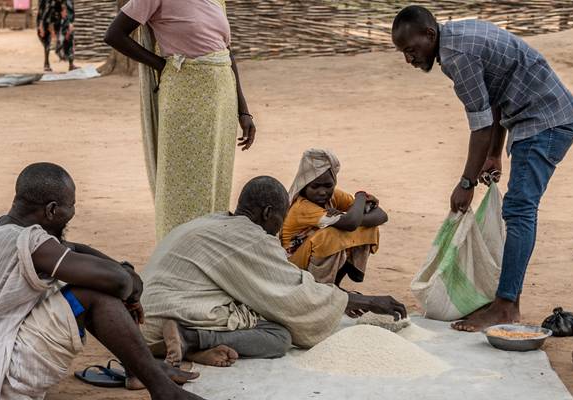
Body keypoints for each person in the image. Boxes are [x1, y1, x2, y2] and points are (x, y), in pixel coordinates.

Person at [391, 5, 573, 331]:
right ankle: (506, 301)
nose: (409, 60)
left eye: (411, 50)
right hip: (536, 118)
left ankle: (506, 306)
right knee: (519, 208)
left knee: (520, 209)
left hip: (544, 122)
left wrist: (466, 183)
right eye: (404, 53)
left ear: (429, 34)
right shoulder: (456, 38)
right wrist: (493, 154)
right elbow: (493, 96)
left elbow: (480, 125)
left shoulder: (456, 56)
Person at [0, 162, 202, 400]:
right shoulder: (31, 244)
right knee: (94, 294)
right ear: (52, 210)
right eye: (71, 206)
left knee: (90, 283)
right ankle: (164, 391)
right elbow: (118, 283)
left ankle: (144, 369)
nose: (73, 212)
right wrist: (130, 286)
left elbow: (72, 249)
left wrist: (123, 273)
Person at [138, 176, 408, 367]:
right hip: (164, 321)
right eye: (279, 219)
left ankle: (192, 346)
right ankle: (189, 338)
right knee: (279, 337)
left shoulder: (212, 222)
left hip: (141, 320)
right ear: (268, 213)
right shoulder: (250, 237)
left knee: (253, 310)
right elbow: (290, 293)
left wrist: (339, 298)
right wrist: (364, 300)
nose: (279, 229)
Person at [104, 0, 257, 239]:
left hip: (222, 98)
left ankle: (208, 246)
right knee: (183, 182)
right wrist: (160, 64)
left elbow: (227, 52)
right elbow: (115, 34)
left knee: (216, 180)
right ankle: (177, 249)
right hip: (185, 97)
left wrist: (243, 111)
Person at [281, 148, 388, 288]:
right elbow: (351, 222)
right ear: (304, 186)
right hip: (294, 263)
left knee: (364, 226)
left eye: (328, 185)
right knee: (330, 235)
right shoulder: (302, 207)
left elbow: (381, 215)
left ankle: (336, 284)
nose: (322, 192)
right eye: (315, 186)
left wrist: (350, 218)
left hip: (312, 255)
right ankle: (320, 288)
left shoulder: (334, 196)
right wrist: (361, 196)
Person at [37, 0, 75, 72]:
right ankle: (46, 63)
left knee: (69, 34)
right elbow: (42, 10)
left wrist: (70, 22)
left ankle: (71, 64)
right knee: (46, 36)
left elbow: (70, 8)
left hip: (61, 13)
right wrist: (41, 25)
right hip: (49, 15)